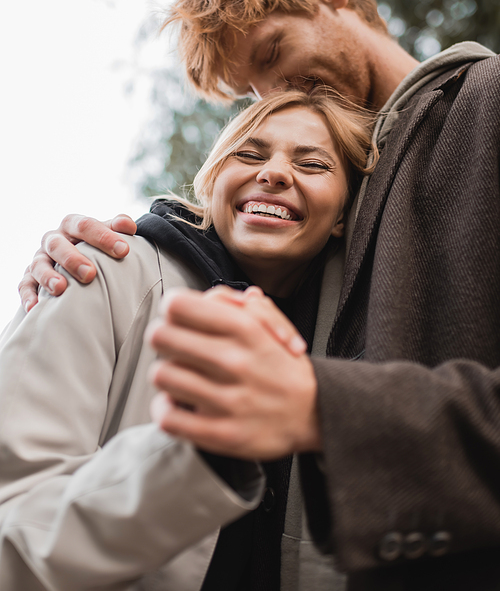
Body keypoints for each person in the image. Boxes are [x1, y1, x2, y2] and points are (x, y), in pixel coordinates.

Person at [18, 0, 500, 590]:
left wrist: (328, 408)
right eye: (253, 95)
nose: (278, 95)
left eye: (274, 50)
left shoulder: (486, 106)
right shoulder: (303, 228)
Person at [0, 89, 375, 591]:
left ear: (346, 215)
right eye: (249, 154)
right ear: (213, 182)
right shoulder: (96, 271)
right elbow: (14, 519)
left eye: (312, 164)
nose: (275, 173)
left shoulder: (362, 334)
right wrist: (197, 463)